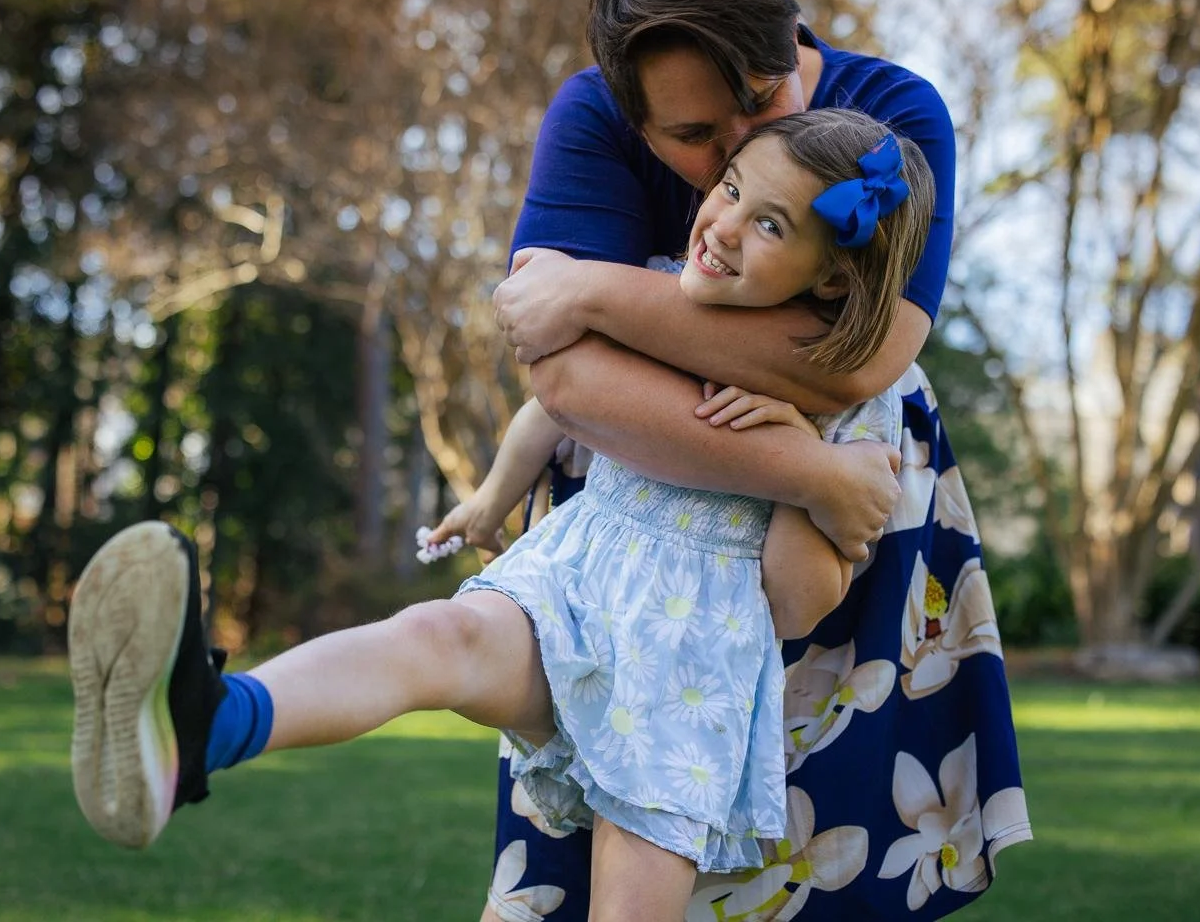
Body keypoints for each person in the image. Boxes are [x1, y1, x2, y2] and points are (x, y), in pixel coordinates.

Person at [66, 109, 936, 922]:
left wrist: (802, 461)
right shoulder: (658, 299)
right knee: (433, 635)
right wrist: (489, 500)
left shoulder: (853, 408)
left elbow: (796, 602)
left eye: (770, 224)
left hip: (684, 677)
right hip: (573, 587)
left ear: (833, 274)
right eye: (732, 188)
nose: (725, 225)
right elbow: (558, 407)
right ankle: (204, 725)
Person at [474, 0, 1032, 920]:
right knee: (596, 862)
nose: (739, 152)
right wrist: (802, 466)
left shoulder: (892, 115)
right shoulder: (590, 115)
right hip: (628, 526)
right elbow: (568, 383)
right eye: (696, 137)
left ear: (791, 39)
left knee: (824, 860)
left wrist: (592, 293)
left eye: (764, 101)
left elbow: (862, 358)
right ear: (630, 116)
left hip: (841, 523)